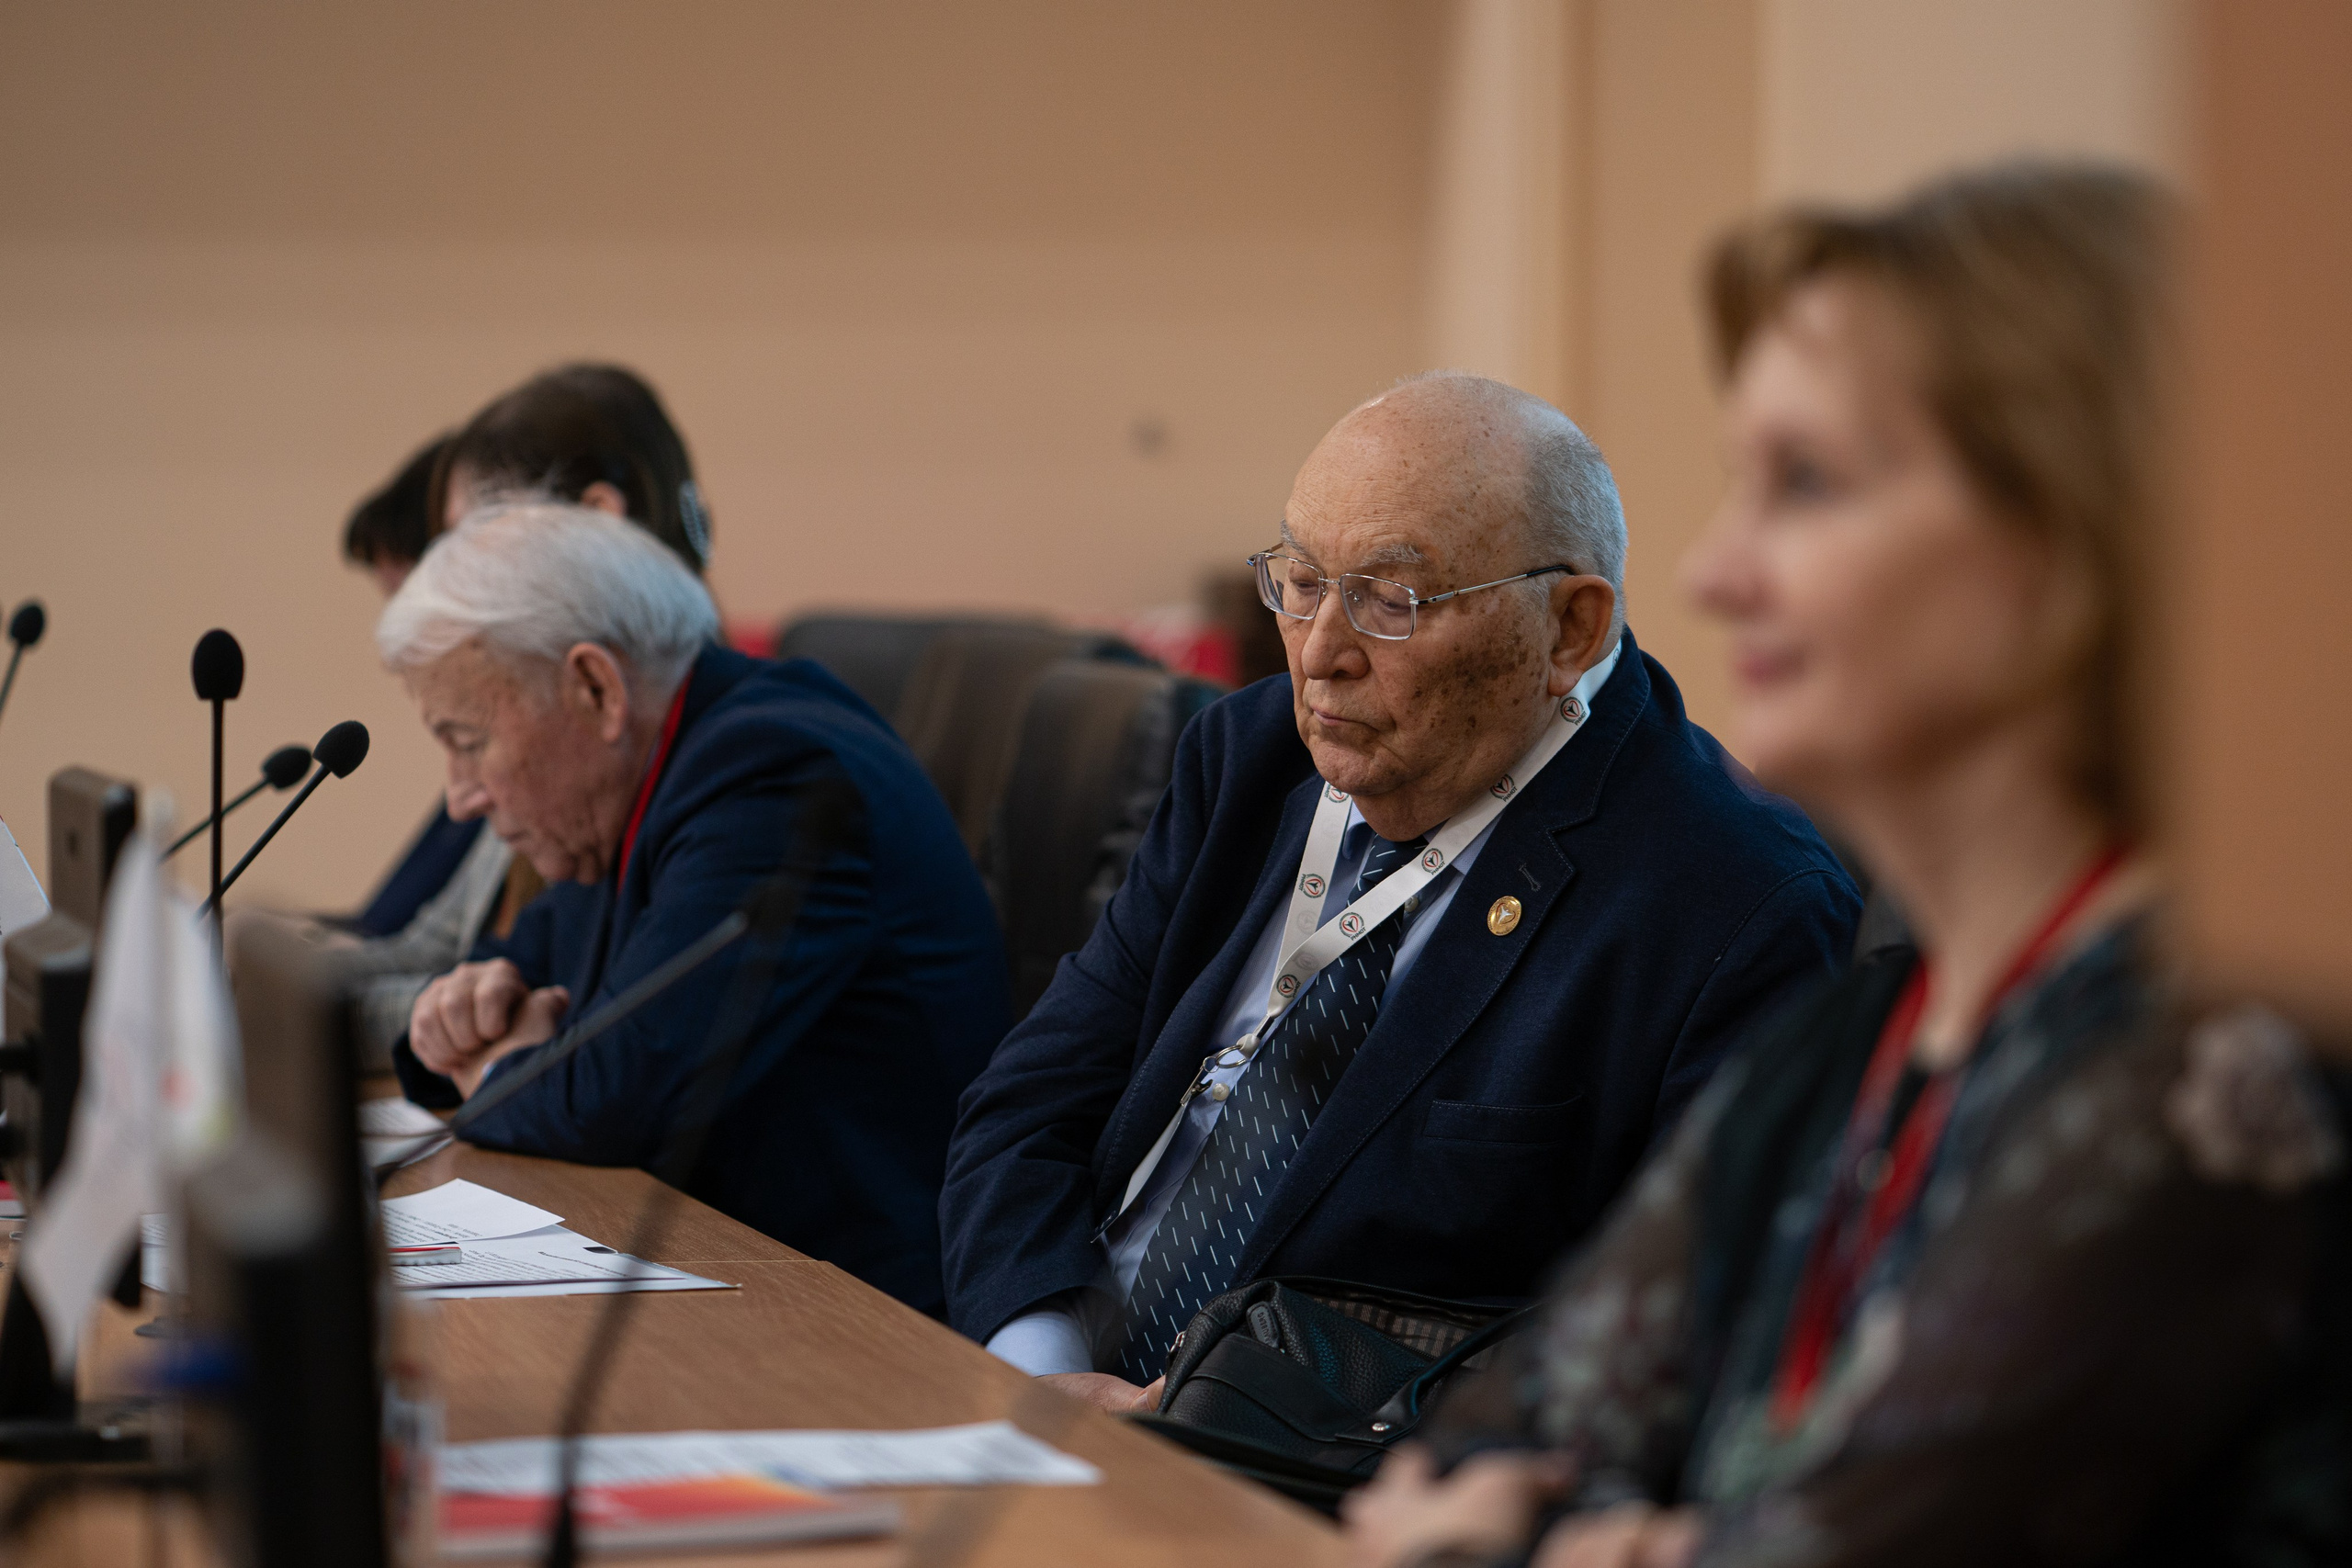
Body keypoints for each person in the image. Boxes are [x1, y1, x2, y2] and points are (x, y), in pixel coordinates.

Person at [1342, 165, 2350, 1568]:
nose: (1712, 573)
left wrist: (1584, 1539)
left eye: (1805, 483)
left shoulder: (2219, 1066)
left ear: (2071, 532)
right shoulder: (1858, 1036)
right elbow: (1478, 1441)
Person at [942, 372, 1862, 1410]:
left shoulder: (1734, 904)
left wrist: (1197, 1425)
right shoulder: (1246, 760)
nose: (1319, 653)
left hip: (1328, 1468)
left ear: (1569, 630)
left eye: (1391, 601)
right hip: (1044, 1395)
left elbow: (1670, 1355)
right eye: (1299, 580)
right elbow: (1027, 1108)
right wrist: (1042, 1373)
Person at [382, 503, 1011, 1313]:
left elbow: (617, 1095)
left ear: (595, 688)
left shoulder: (769, 773)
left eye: (468, 742)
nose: (460, 796)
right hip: (734, 1270)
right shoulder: (624, 793)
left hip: (864, 1316)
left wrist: (499, 1072)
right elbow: (523, 987)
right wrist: (457, 1017)